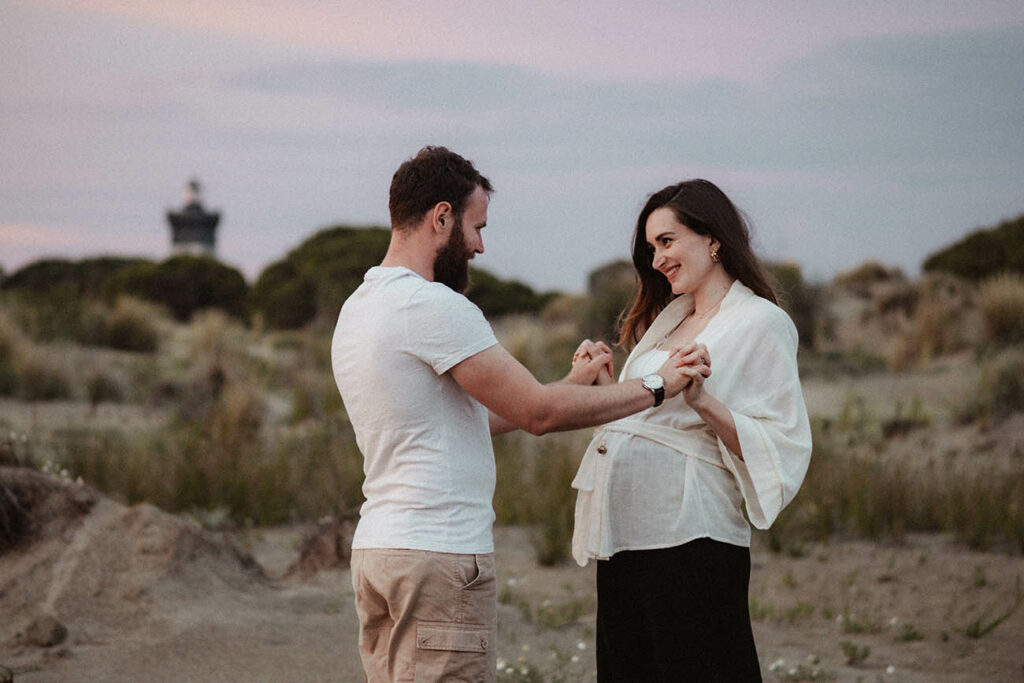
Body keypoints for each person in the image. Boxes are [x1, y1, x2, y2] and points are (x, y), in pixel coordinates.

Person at [331, 146, 702, 683]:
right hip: (439, 556)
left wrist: (571, 385)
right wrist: (658, 384)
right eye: (476, 227)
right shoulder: (433, 306)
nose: (481, 245)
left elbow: (465, 421)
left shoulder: (359, 308)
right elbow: (538, 414)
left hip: (380, 554)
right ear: (441, 217)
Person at [570, 179, 813, 681]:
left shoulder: (760, 322)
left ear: (714, 239)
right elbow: (649, 415)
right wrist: (607, 385)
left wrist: (703, 402)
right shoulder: (668, 321)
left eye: (667, 241)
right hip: (624, 532)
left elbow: (778, 442)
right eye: (650, 247)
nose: (656, 259)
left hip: (689, 535)